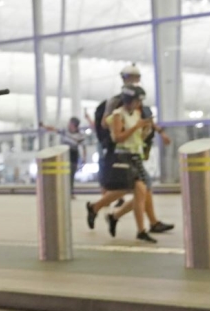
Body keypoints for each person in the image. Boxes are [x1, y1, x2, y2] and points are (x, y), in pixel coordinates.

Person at [101, 86, 158, 243]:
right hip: (124, 157)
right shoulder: (118, 115)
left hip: (136, 156)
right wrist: (136, 127)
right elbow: (118, 137)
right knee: (138, 191)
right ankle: (139, 229)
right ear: (129, 100)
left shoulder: (137, 113)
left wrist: (145, 129)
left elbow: (138, 137)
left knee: (140, 193)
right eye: (137, 100)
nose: (139, 103)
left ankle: (114, 216)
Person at [41, 117, 87, 198]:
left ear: (74, 125)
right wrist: (44, 126)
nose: (68, 124)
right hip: (63, 155)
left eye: (70, 123)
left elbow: (84, 147)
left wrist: (84, 158)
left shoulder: (80, 135)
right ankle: (62, 192)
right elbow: (53, 129)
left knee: (71, 175)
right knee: (62, 175)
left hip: (73, 156)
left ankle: (70, 192)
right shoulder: (65, 131)